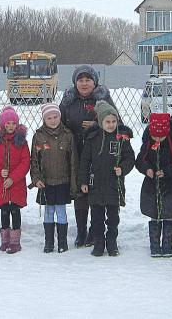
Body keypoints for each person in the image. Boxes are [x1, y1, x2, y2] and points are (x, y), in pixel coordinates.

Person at [59, 65, 114, 248]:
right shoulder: (68, 100)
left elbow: (115, 122)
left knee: (96, 191)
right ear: (75, 82)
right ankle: (81, 231)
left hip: (98, 152)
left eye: (88, 80)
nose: (84, 84)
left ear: (94, 82)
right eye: (80, 80)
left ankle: (94, 229)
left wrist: (96, 124)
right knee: (79, 191)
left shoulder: (103, 98)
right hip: (75, 151)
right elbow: (58, 123)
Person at [78, 100, 134, 257]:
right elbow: (85, 161)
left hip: (113, 185)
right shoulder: (92, 138)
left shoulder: (121, 138)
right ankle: (98, 242)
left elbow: (130, 158)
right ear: (100, 121)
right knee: (97, 218)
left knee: (113, 218)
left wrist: (122, 168)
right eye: (107, 121)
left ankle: (112, 242)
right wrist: (83, 181)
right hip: (95, 184)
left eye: (114, 121)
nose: (111, 124)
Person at [136, 113, 172, 258]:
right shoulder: (148, 144)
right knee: (155, 214)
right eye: (155, 136)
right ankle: (154, 244)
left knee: (169, 214)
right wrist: (147, 168)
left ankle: (167, 244)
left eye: (161, 137)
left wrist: (167, 172)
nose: (158, 139)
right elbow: (140, 160)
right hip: (152, 187)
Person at [30, 102, 78, 253]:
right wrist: (36, 178)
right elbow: (34, 160)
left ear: (60, 116)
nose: (53, 120)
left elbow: (73, 161)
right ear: (44, 119)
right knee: (49, 210)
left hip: (63, 181)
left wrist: (73, 182)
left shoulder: (68, 135)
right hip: (46, 182)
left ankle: (62, 242)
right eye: (49, 117)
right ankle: (49, 242)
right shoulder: (38, 136)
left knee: (61, 211)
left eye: (55, 116)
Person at [0, 106, 31, 254]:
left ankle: (15, 241)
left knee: (15, 212)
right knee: (4, 212)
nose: (11, 126)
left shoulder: (21, 142)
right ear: (2, 125)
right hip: (1, 185)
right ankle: (5, 240)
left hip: (16, 185)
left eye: (13, 123)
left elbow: (25, 163)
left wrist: (13, 177)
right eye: (8, 123)